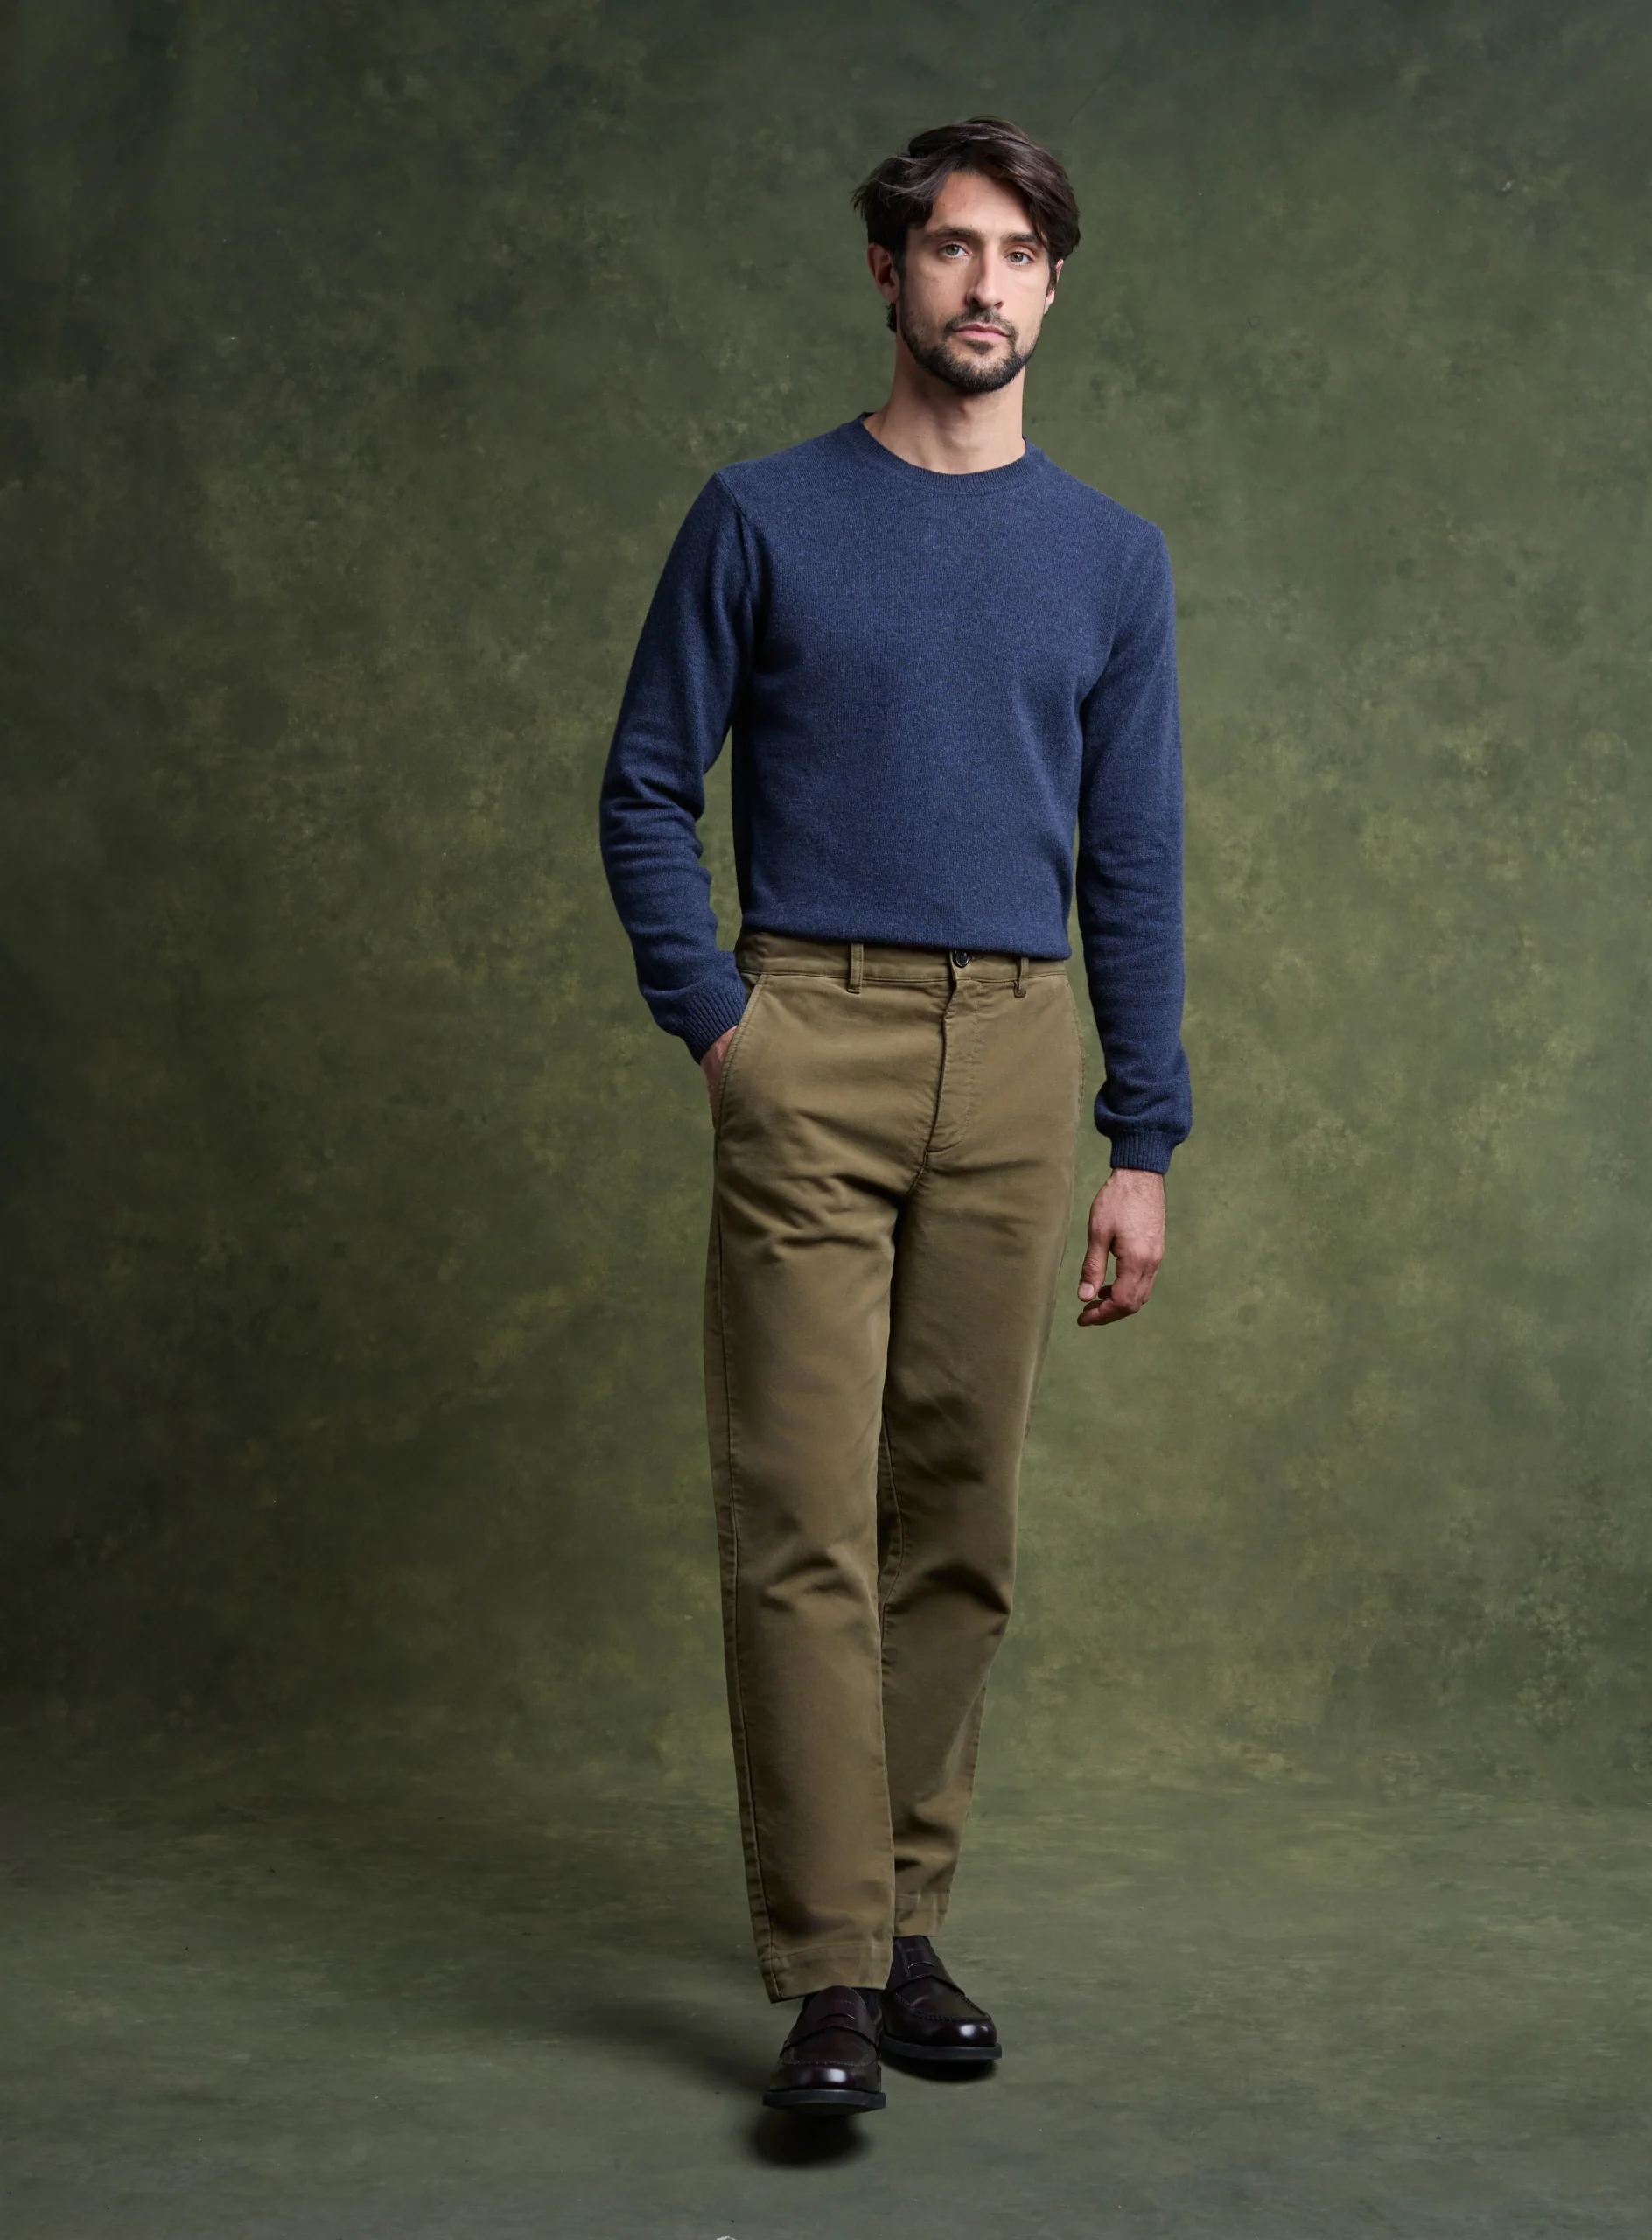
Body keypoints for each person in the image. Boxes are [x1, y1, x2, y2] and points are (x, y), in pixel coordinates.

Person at [599, 116, 1190, 2115]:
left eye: (1018, 252)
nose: (983, 283)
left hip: (1018, 1054)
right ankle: (832, 1970)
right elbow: (643, 783)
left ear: (1054, 284)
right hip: (810, 1031)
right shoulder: (760, 516)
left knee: (959, 1518)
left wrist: (1142, 1137)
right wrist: (723, 1029)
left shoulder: (1110, 559)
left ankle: (909, 1920)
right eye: (949, 246)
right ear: (887, 270)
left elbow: (1133, 862)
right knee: (800, 1517)